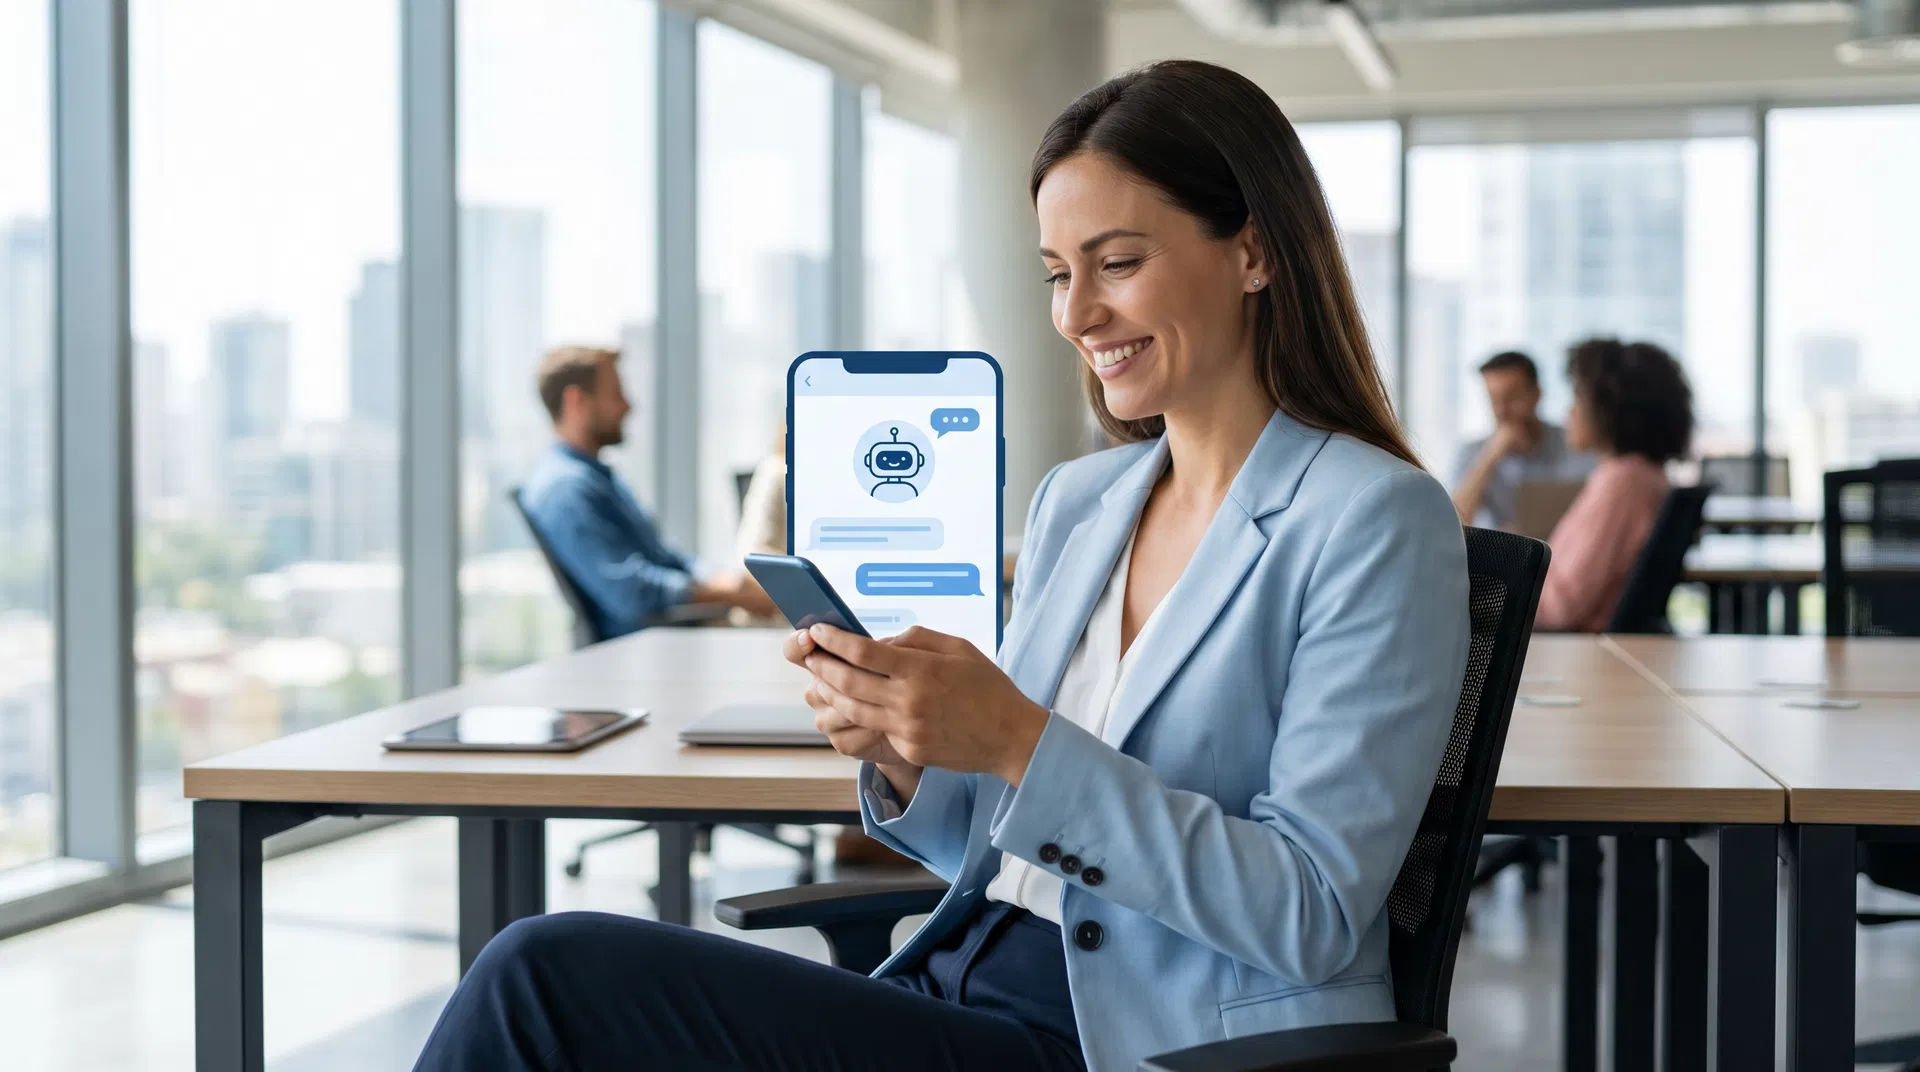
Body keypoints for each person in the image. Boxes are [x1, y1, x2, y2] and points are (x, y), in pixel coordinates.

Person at [414, 61, 1468, 1072]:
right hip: (960, 981)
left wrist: (1017, 736)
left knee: (543, 980)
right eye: (1059, 273)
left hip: (1147, 1037)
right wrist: (913, 753)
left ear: (1253, 252)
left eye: (1118, 262)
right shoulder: (1083, 503)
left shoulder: (1372, 520)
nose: (1076, 314)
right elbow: (1006, 834)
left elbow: (1315, 910)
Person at [519, 345, 773, 638]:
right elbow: (631, 592)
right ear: (577, 401)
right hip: (648, 645)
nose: (628, 406)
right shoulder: (566, 490)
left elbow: (664, 558)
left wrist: (724, 581)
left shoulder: (594, 478)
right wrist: (731, 594)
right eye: (616, 395)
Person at [1534, 338, 1695, 632]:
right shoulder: (1640, 475)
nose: (1569, 413)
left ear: (1610, 409)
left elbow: (1562, 606)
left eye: (1577, 399)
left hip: (1574, 650)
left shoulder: (1623, 483)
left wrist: (1483, 592)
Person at [1449, 350, 1595, 529]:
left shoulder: (1576, 442)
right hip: (1505, 554)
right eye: (1493, 399)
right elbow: (1454, 524)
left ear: (1537, 394)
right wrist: (1490, 456)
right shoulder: (1472, 452)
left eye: (1511, 398)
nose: (1502, 411)